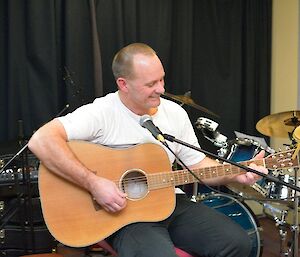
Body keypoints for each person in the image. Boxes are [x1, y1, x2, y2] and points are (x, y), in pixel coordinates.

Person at [28, 42, 268, 257]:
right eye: (151, 84)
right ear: (124, 84)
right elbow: (41, 140)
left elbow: (198, 166)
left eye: (162, 79)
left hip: (170, 204)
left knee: (237, 243)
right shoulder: (101, 113)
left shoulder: (174, 113)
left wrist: (237, 174)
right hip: (121, 216)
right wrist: (93, 183)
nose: (161, 89)